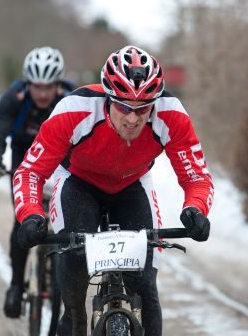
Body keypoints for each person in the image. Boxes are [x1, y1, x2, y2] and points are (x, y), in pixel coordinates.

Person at [13, 45, 214, 336]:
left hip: (133, 184)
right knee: (74, 274)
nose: (133, 119)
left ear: (155, 103)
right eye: (123, 107)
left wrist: (195, 209)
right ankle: (73, 321)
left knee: (145, 288)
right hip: (78, 182)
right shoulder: (74, 110)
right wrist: (30, 214)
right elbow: (30, 172)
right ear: (108, 98)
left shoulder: (172, 116)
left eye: (143, 109)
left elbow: (197, 177)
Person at [0, 46, 74, 318]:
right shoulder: (14, 97)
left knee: (65, 223)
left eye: (49, 86)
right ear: (28, 84)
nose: (44, 93)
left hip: (61, 160)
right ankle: (15, 285)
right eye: (37, 86)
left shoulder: (71, 98)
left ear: (58, 84)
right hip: (23, 158)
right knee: (22, 220)